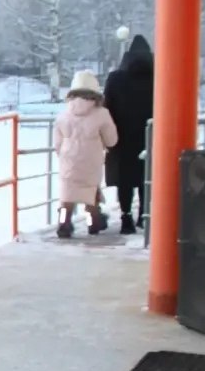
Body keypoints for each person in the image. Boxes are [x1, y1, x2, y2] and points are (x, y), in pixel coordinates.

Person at [55, 71, 119, 239]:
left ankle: (63, 223)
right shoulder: (102, 114)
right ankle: (93, 223)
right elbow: (111, 140)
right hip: (91, 161)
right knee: (91, 194)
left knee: (67, 195)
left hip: (69, 160)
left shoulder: (63, 115)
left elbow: (57, 143)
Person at [103, 35, 154, 234]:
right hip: (150, 136)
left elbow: (107, 107)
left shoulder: (115, 78)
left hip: (122, 137)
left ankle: (126, 218)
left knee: (124, 179)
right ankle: (144, 215)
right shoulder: (160, 77)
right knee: (146, 176)